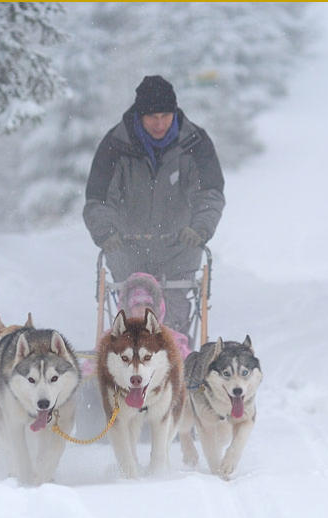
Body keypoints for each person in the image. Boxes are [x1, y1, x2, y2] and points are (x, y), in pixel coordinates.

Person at [83, 75, 225, 335]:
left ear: (174, 113)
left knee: (174, 319)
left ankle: (176, 361)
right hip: (127, 247)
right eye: (152, 117)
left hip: (180, 247)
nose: (159, 123)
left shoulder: (195, 144)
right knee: (133, 318)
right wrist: (107, 232)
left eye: (165, 116)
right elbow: (98, 199)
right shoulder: (116, 145)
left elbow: (211, 194)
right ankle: (130, 366)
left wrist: (199, 229)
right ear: (139, 116)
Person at [80, 272, 191, 377]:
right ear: (128, 308)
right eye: (137, 305)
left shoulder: (172, 339)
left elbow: (188, 369)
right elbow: (89, 370)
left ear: (155, 308)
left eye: (147, 304)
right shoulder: (111, 339)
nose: (142, 310)